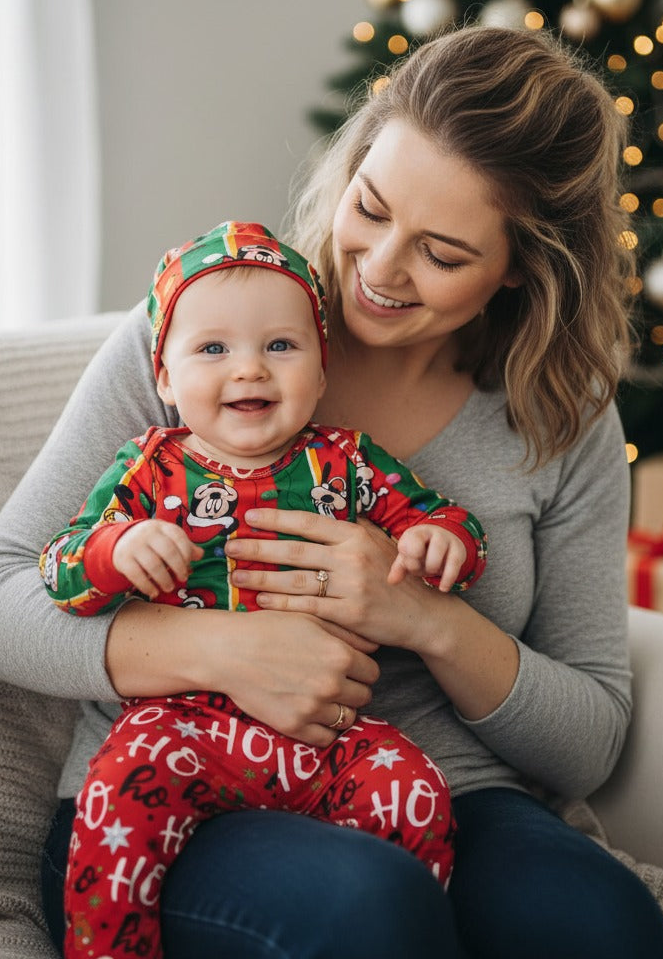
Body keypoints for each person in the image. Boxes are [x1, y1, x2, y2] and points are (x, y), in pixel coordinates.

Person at [0, 25, 663, 958]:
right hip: (166, 796)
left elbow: (587, 742)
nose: (377, 267)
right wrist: (221, 648)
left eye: (443, 253)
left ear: (524, 269)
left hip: (439, 789)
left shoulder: (558, 418)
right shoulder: (208, 331)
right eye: (369, 207)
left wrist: (422, 615)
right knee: (365, 909)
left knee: (601, 924)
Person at [41, 220, 482, 958]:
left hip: (326, 732)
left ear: (321, 367)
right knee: (119, 789)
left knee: (412, 787)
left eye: (280, 346)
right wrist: (117, 550)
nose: (249, 370)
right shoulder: (148, 470)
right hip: (180, 727)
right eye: (212, 349)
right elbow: (58, 568)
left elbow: (438, 519)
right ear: (164, 378)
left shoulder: (346, 463)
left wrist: (442, 544)